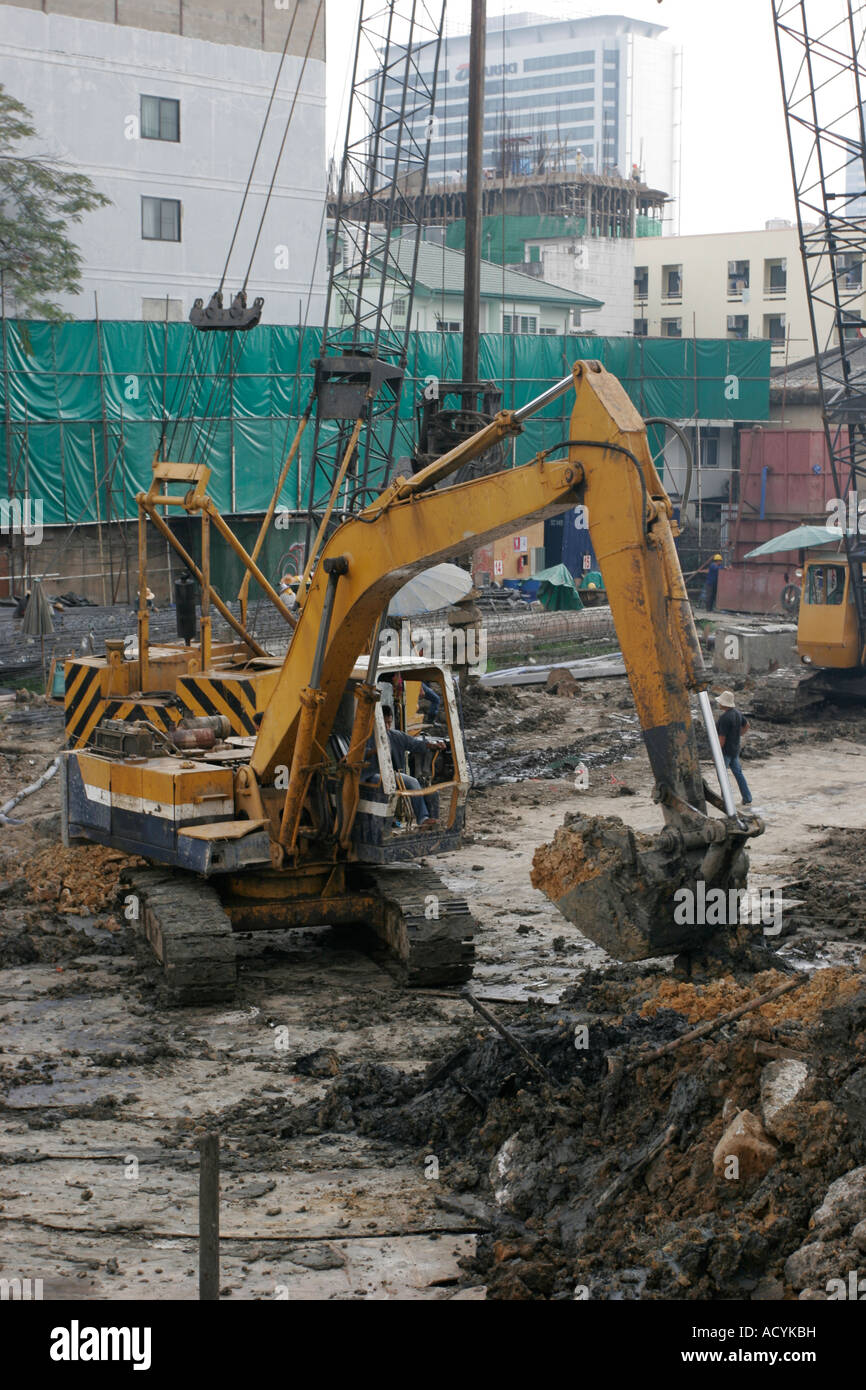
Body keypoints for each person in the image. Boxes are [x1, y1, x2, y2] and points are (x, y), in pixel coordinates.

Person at [364, 706, 444, 829]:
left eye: (389, 723)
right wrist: (376, 751)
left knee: (413, 782)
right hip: (371, 774)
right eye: (383, 723)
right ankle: (390, 822)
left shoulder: (396, 736)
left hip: (391, 774)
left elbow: (415, 744)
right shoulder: (366, 737)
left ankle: (423, 819)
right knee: (389, 783)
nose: (386, 727)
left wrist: (432, 745)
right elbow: (360, 754)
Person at [716, 689, 752, 807]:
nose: (718, 703)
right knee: (738, 774)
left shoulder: (724, 718)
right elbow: (747, 725)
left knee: (723, 776)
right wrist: (739, 734)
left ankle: (725, 800)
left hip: (725, 751)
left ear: (723, 704)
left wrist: (716, 753)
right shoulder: (737, 713)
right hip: (735, 749)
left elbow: (722, 738)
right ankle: (747, 798)